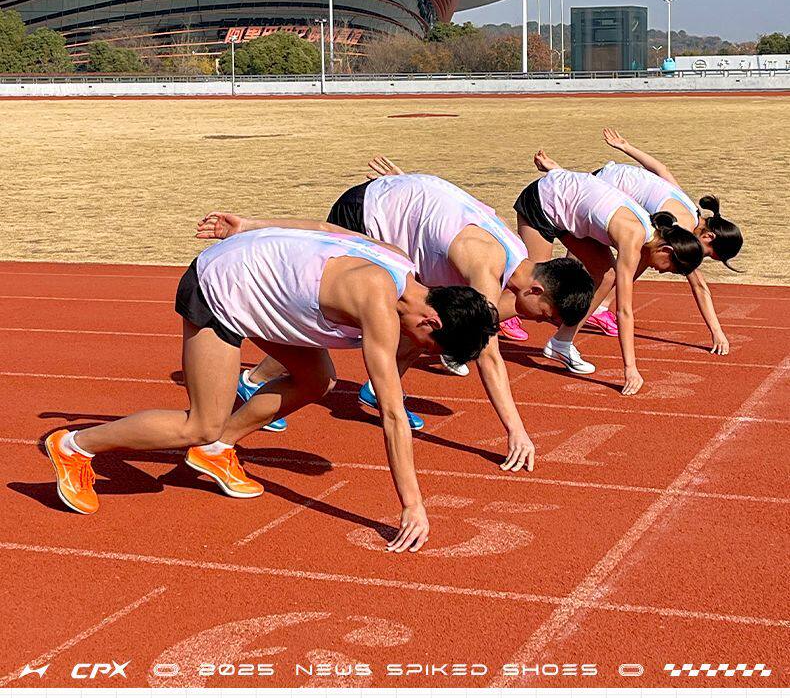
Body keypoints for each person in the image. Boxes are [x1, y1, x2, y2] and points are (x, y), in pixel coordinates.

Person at [45, 222, 498, 553]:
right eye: (429, 347)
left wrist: (248, 225)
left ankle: (218, 450)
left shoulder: (400, 262)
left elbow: (322, 228)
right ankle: (74, 446)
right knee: (200, 424)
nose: (417, 352)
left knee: (317, 380)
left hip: (259, 282)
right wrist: (412, 505)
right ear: (430, 320)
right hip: (219, 289)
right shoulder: (378, 302)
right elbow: (393, 413)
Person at [206, 171, 594, 472]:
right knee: (334, 316)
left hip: (391, 203)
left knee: (421, 321)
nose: (541, 324)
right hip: (366, 212)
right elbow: (487, 355)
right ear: (538, 292)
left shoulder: (514, 251)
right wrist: (516, 431)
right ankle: (254, 381)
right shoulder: (486, 270)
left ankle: (376, 391)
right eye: (548, 317)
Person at [514, 151, 704, 394]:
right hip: (541, 204)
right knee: (528, 286)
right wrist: (630, 368)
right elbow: (623, 310)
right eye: (669, 269)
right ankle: (466, 331)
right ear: (666, 250)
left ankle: (561, 342)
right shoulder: (632, 237)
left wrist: (557, 170)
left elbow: (592, 191)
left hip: (563, 205)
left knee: (607, 276)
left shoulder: (646, 226)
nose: (660, 271)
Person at [583, 127, 743, 354]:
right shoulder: (682, 227)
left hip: (604, 179)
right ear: (708, 236)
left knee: (596, 250)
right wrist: (717, 332)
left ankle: (591, 302)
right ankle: (598, 307)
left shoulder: (690, 208)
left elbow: (660, 169)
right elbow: (698, 284)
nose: (699, 257)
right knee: (643, 255)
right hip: (601, 189)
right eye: (707, 253)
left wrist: (626, 147)